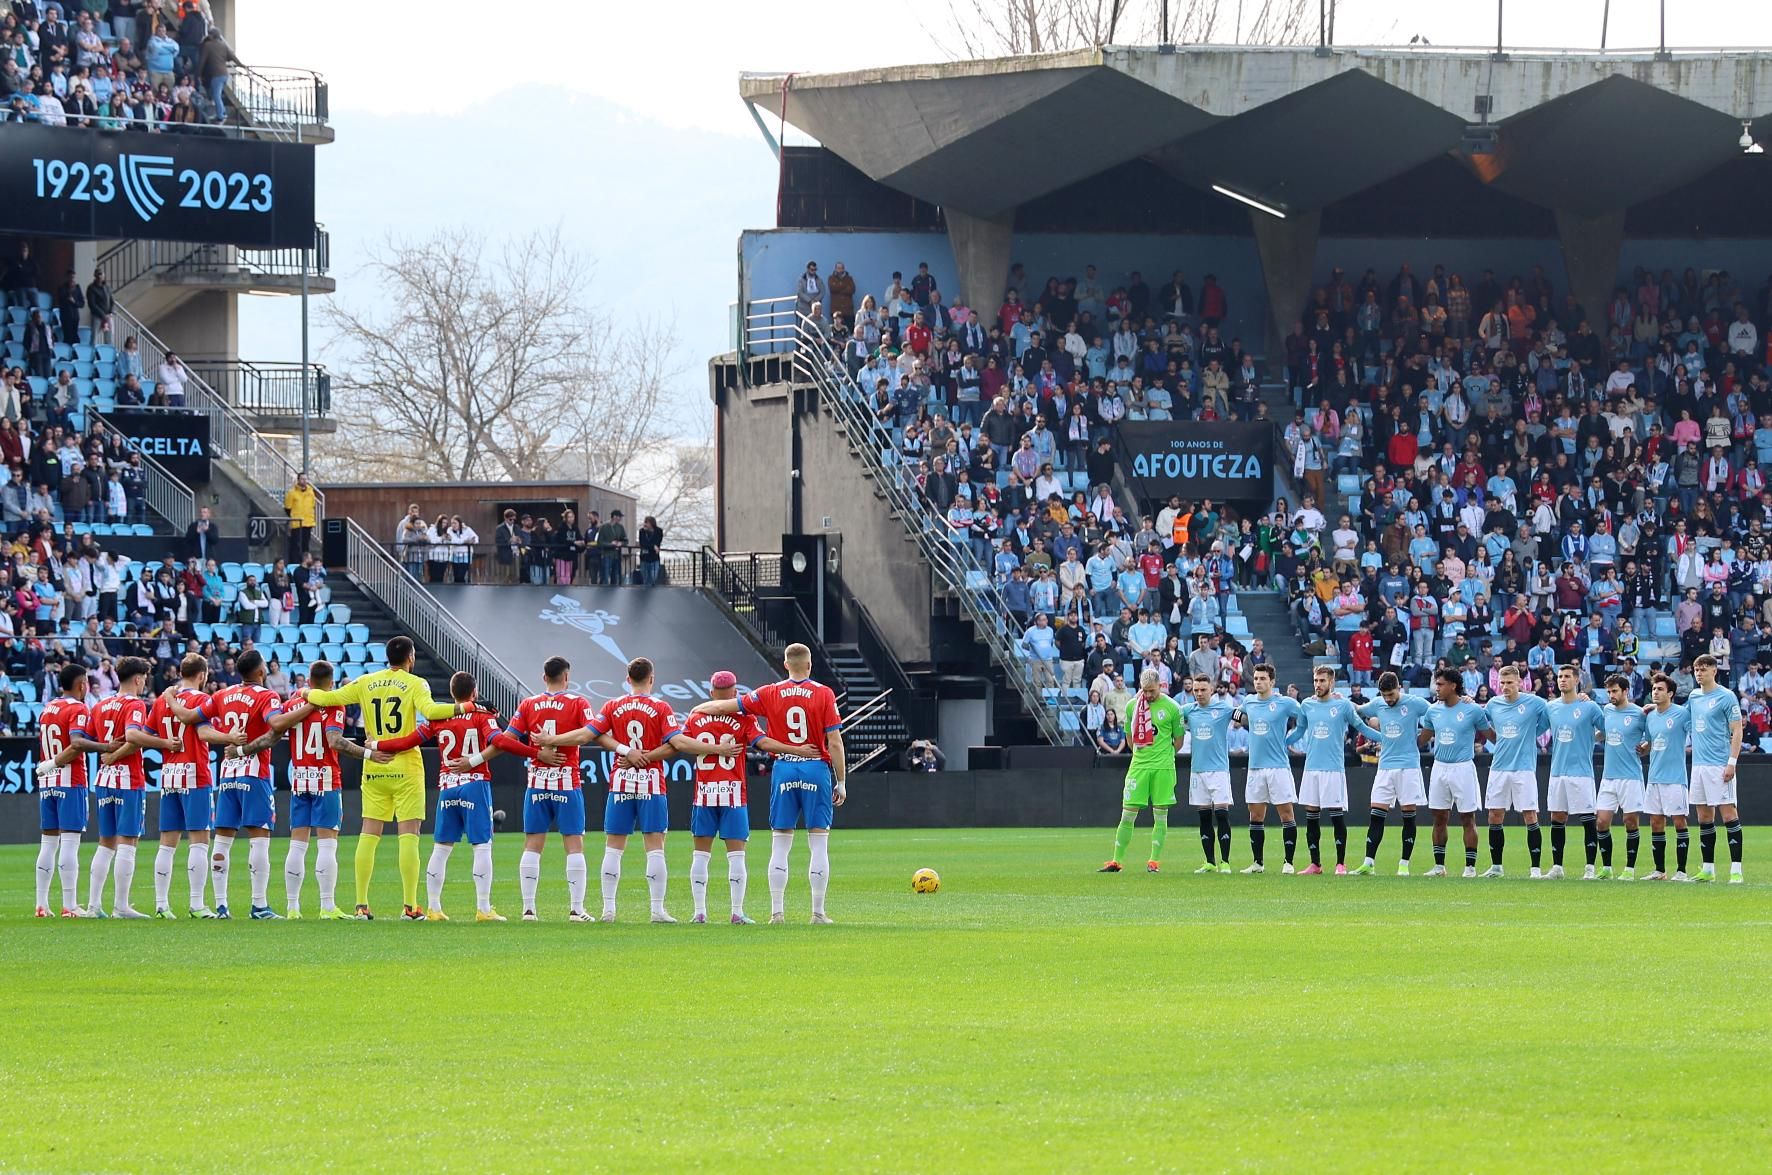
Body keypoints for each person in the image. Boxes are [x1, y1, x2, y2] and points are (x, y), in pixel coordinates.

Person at [525, 656, 739, 923]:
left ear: (628, 680)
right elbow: (677, 744)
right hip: (651, 783)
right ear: (651, 678)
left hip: (620, 783)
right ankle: (657, 910)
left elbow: (590, 734)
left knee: (613, 847)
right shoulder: (661, 707)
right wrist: (647, 756)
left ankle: (609, 910)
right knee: (655, 844)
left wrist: (554, 740)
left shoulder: (613, 705)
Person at [304, 636, 480, 920]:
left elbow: (327, 698)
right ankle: (410, 906)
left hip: (374, 765)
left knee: (369, 834)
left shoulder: (365, 681)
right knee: (408, 836)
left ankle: (361, 904)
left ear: (388, 657)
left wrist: (305, 694)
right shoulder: (415, 683)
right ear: (410, 657)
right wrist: (464, 707)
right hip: (406, 764)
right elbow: (433, 711)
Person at [690, 643, 846, 923]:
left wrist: (701, 707)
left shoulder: (768, 692)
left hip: (784, 768)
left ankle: (777, 913)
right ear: (809, 665)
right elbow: (834, 741)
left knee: (780, 843)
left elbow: (723, 706)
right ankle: (818, 913)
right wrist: (842, 780)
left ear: (785, 664)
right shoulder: (824, 693)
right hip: (815, 768)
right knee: (819, 844)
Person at [170, 649, 310, 919]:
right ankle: (259, 905)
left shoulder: (222, 695)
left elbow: (189, 718)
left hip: (228, 775)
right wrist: (310, 706)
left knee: (222, 842)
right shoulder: (266, 695)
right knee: (259, 840)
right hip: (254, 773)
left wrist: (169, 699)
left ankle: (221, 906)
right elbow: (277, 722)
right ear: (260, 672)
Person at [284, 660, 388, 919]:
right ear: (331, 683)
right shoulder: (333, 704)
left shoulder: (293, 704)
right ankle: (327, 906)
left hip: (299, 778)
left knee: (297, 845)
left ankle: (292, 907)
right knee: (327, 845)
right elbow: (336, 741)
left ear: (309, 680)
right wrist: (368, 754)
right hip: (325, 780)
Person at [139, 653, 234, 918]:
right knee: (199, 841)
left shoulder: (160, 701)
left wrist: (166, 745)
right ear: (202, 675)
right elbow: (204, 733)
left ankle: (161, 905)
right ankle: (196, 904)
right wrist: (230, 738)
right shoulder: (201, 700)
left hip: (169, 774)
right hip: (195, 774)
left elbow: (146, 737)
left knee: (167, 843)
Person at [418, 672, 506, 921]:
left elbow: (413, 739)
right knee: (481, 846)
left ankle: (434, 908)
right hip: (474, 783)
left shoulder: (441, 717)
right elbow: (498, 742)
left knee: (441, 847)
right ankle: (484, 908)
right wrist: (474, 761)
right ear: (475, 692)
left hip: (447, 785)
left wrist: (376, 745)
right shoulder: (482, 716)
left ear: (452, 692)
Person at [32, 663, 108, 917]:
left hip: (48, 781)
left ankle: (42, 904)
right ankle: (70, 905)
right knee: (70, 842)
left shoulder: (48, 708)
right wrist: (105, 746)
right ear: (82, 684)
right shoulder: (78, 708)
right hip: (70, 778)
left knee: (48, 842)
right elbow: (76, 744)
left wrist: (50, 764)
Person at [82, 656, 154, 918]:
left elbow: (86, 740)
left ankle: (93, 905)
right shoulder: (136, 704)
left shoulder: (101, 704)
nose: (144, 682)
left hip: (103, 779)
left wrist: (107, 755)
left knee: (105, 842)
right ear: (137, 679)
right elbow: (134, 738)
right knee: (128, 841)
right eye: (144, 678)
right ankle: (121, 906)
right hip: (128, 779)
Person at [1098, 668, 1185, 874]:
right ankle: (1116, 861)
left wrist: (1162, 755)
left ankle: (1154, 861)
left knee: (1160, 815)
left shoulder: (1173, 708)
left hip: (1163, 768)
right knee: (1127, 815)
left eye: (1152, 691)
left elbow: (1178, 742)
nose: (1147, 695)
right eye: (1144, 691)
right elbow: (1129, 739)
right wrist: (1142, 754)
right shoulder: (1132, 707)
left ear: (1161, 686)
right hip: (1139, 767)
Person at [1355, 672, 1431, 875]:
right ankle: (1368, 863)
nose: (1388, 699)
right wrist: (1341, 701)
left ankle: (1404, 865)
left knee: (1408, 816)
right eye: (1384, 695)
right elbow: (1359, 710)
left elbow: (1437, 713)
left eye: (1391, 694)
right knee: (1376, 815)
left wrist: (1464, 700)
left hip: (1408, 767)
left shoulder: (1415, 703)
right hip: (1385, 767)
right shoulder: (1378, 703)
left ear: (1399, 688)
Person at [1479, 664, 1549, 878]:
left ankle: (1535, 868)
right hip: (1499, 767)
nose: (1505, 686)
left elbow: (1550, 717)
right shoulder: (1493, 704)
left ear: (1519, 683)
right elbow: (1482, 723)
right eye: (1502, 683)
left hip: (1524, 768)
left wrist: (1531, 734)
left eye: (1510, 682)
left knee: (1530, 815)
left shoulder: (1534, 702)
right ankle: (1496, 867)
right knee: (1494, 815)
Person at [1420, 668, 1491, 877]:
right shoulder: (1433, 711)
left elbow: (1490, 735)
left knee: (1467, 818)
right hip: (1439, 767)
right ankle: (1439, 866)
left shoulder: (1472, 710)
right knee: (1439, 817)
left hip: (1463, 768)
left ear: (1453, 686)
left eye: (1440, 684)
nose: (1437, 688)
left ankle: (1470, 868)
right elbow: (1421, 739)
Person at [1295, 666, 1363, 874]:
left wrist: (1383, 738)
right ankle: (1315, 864)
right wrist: (1281, 742)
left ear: (1331, 682)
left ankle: (1340, 863)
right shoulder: (1306, 705)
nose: (1318, 684)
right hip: (1311, 768)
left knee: (1336, 817)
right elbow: (1299, 730)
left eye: (1322, 681)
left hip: (1333, 769)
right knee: (1311, 817)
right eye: (1316, 680)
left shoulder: (1342, 705)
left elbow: (1360, 725)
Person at [1235, 664, 1301, 874]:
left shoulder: (1284, 703)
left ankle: (1288, 862)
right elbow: (1237, 715)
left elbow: (1305, 718)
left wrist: (1291, 739)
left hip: (1278, 767)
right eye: (1256, 678)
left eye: (1263, 678)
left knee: (1286, 815)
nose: (1258, 682)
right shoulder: (1249, 701)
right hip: (1255, 768)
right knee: (1255, 816)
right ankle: (1257, 863)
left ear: (1272, 681)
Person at [1685, 653, 1745, 883]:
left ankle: (1736, 869)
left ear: (1714, 671)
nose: (1699, 673)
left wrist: (1732, 762)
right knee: (1704, 817)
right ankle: (1708, 869)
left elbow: (1737, 730)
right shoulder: (1693, 696)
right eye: (1696, 669)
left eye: (1703, 669)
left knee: (1728, 814)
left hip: (1719, 765)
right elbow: (1686, 720)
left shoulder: (1726, 696)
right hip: (1699, 766)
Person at [1544, 665, 1605, 879]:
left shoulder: (1589, 707)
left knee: (1588, 818)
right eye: (1560, 676)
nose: (1562, 680)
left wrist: (1592, 739)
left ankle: (1590, 868)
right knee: (1557, 817)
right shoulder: (1551, 707)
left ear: (1577, 680)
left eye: (1567, 676)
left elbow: (1607, 729)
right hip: (1557, 771)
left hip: (1581, 771)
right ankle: (1557, 867)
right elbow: (1536, 727)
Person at [1178, 673, 1236, 873]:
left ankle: (1225, 861)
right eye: (1196, 690)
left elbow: (1244, 714)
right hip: (1197, 771)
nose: (1199, 694)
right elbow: (1169, 712)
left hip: (1219, 770)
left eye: (1203, 690)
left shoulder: (1224, 709)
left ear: (1211, 690)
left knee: (1221, 814)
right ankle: (1210, 862)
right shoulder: (1188, 711)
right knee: (1203, 817)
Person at [1596, 674, 1648, 880]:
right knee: (1601, 822)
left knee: (1630, 821)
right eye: (1608, 691)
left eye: (1615, 691)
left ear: (1626, 691)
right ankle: (1607, 867)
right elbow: (1603, 733)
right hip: (1609, 776)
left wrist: (1645, 747)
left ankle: (1629, 869)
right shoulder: (1607, 710)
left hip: (1631, 776)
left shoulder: (1639, 714)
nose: (1611, 695)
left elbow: (1652, 736)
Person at [1643, 673, 1694, 881]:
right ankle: (1660, 870)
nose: (1656, 692)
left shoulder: (1681, 714)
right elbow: (1651, 742)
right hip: (1654, 777)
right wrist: (1644, 747)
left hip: (1675, 778)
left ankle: (1681, 871)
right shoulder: (1651, 717)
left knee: (1679, 822)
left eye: (1660, 689)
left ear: (1670, 693)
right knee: (1656, 822)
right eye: (1654, 689)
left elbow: (1696, 733)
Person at [283, 471, 317, 562]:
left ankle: (305, 562)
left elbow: (312, 505)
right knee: (296, 545)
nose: (304, 481)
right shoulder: (292, 493)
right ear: (298, 480)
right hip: (297, 523)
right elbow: (287, 508)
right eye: (302, 479)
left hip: (308, 522)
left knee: (305, 545)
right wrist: (293, 517)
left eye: (305, 479)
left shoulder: (310, 492)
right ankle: (295, 562)